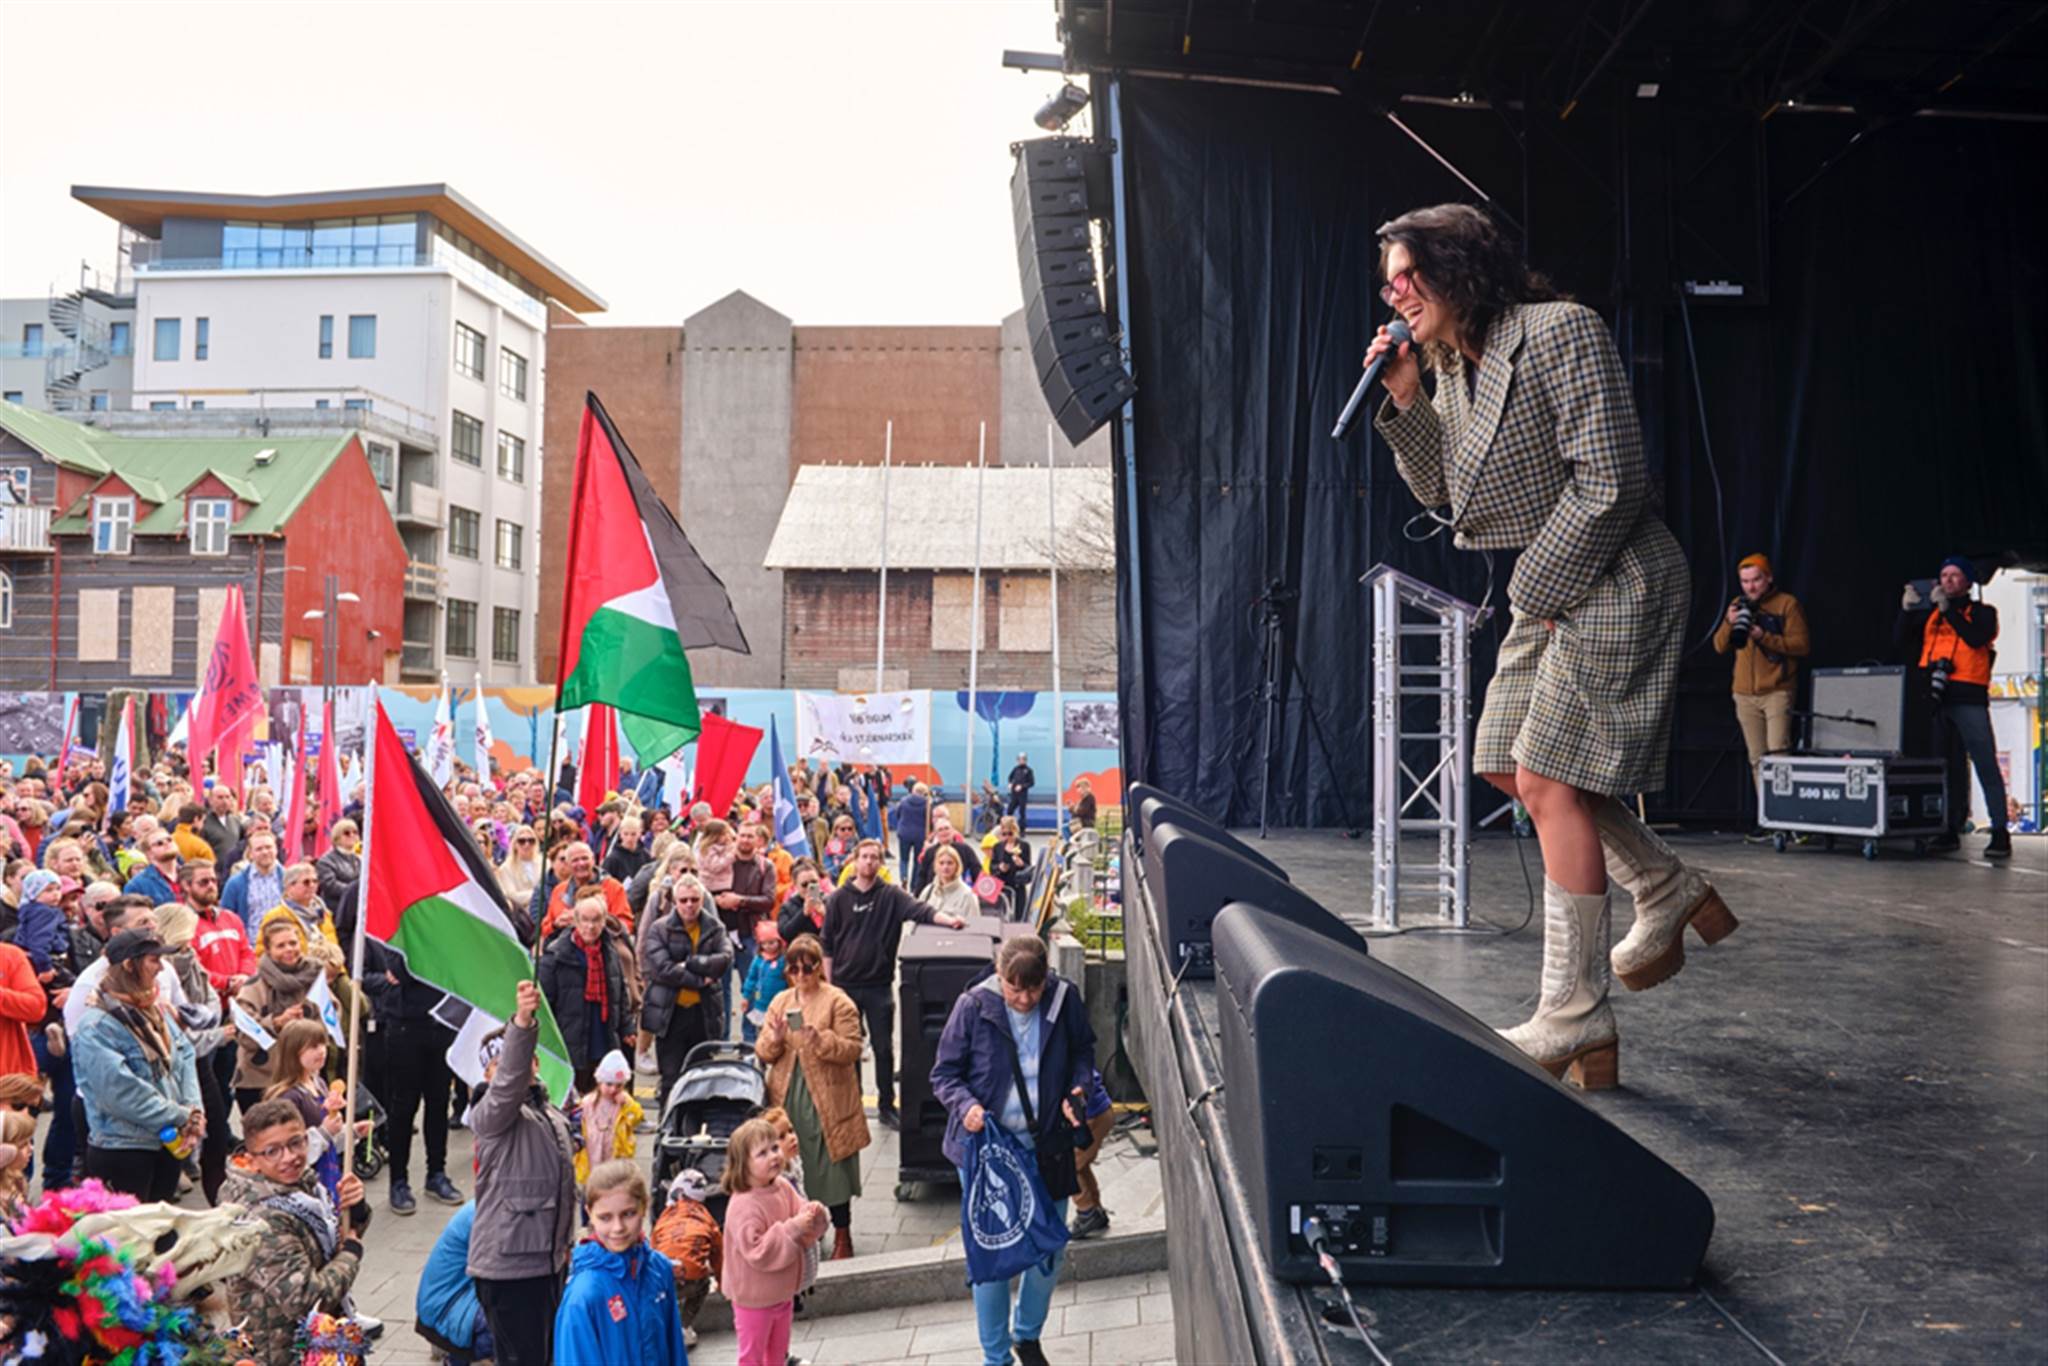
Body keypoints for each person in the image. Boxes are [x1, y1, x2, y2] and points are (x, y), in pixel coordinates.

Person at [1364, 203, 1734, 1087]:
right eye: (1389, 283)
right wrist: (1407, 399)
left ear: (1459, 267)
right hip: (1553, 585)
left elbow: (1611, 482)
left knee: (1549, 780)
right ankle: (1664, 886)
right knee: (1503, 764)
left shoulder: (1560, 330)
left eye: (1410, 275)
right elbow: (1448, 495)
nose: (1396, 294)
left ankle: (1576, 1014)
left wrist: (1535, 590)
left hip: (1616, 572)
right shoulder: (1450, 367)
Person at [930, 934, 1096, 1366]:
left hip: (1048, 1145)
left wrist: (1077, 1089)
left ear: (1046, 979)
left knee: (1050, 1249)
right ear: (999, 974)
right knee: (994, 1257)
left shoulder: (1063, 999)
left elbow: (1083, 1051)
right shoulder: (973, 1005)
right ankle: (996, 1356)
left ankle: (1028, 1335)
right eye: (1014, 988)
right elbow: (944, 1074)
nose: (1024, 999)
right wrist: (966, 1106)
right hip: (988, 1152)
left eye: (1033, 989)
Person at [470, 979, 579, 1366]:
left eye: (527, 1058)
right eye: (498, 1064)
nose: (515, 1067)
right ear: (489, 1075)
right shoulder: (491, 1113)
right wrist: (522, 1023)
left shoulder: (549, 1112)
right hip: (510, 1270)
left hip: (547, 1262)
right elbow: (508, 1085)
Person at [822, 839, 968, 1130]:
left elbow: (922, 911)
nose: (869, 862)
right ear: (855, 860)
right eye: (864, 857)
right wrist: (830, 987)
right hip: (845, 986)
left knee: (884, 1049)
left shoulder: (891, 895)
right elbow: (827, 945)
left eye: (875, 857)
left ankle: (886, 1104)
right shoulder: (838, 899)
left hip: (878, 985)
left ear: (880, 862)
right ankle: (853, 1103)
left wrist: (949, 921)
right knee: (849, 1050)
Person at [218, 1096, 370, 1365]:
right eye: (272, 1151)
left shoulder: (300, 1185)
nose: (289, 1157)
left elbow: (331, 1239)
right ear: (252, 1159)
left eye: (295, 1143)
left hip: (318, 1344)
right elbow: (306, 1298)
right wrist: (351, 1254)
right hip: (281, 1353)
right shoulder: (260, 1219)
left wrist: (356, 1210)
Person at [756, 933, 869, 1260]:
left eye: (808, 967)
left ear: (819, 967)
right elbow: (763, 1051)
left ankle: (843, 1235)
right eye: (794, 968)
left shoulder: (838, 1001)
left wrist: (820, 1039)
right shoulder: (780, 1001)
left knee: (832, 1167)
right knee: (788, 1162)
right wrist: (776, 1038)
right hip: (787, 1094)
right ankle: (801, 1229)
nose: (801, 975)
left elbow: (853, 1048)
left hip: (828, 1096)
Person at [69, 928, 202, 1200]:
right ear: (129, 965)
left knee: (162, 1222)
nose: (161, 968)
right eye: (154, 960)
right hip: (123, 1149)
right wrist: (182, 1115)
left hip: (167, 1140)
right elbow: (121, 1093)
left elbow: (185, 1055)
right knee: (132, 1226)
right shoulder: (96, 1026)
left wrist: (193, 1110)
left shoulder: (154, 1010)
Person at [361, 925, 465, 1216]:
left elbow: (453, 967)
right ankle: (399, 1181)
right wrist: (418, 964)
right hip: (404, 1025)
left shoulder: (444, 926)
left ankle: (436, 1173)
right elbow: (399, 970)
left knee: (438, 1103)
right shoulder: (398, 930)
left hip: (441, 1023)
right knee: (403, 1107)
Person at [554, 1159, 689, 1365]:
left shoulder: (659, 1269)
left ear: (644, 1206)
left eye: (628, 1214)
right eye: (605, 1218)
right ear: (590, 1214)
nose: (618, 1228)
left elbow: (675, 1348)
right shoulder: (584, 1294)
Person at [721, 1116, 830, 1366]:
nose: (773, 1156)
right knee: (752, 1356)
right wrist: (793, 1228)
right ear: (743, 1165)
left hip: (781, 1293)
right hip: (753, 1300)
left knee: (778, 1353)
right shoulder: (744, 1205)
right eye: (762, 1153)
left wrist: (813, 1213)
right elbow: (757, 1251)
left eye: (774, 1148)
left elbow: (799, 1211)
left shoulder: (781, 1186)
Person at [1713, 554, 1811, 811]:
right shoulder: (1738, 605)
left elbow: (1802, 646)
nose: (1751, 587)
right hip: (1744, 693)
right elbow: (1719, 646)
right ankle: (1769, 814)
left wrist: (1763, 636)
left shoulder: (1787, 604)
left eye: (1756, 580)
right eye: (1745, 581)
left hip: (1777, 690)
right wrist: (1729, 621)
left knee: (1778, 753)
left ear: (1768, 578)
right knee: (1757, 758)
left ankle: (1786, 815)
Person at [640, 872, 732, 1114]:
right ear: (675, 901)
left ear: (702, 900)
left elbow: (724, 960)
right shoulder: (659, 929)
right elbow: (664, 969)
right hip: (671, 1015)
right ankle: (668, 1125)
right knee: (671, 1078)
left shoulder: (715, 927)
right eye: (683, 900)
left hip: (703, 1014)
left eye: (694, 899)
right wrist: (701, 979)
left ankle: (697, 1127)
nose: (689, 905)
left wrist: (689, 963)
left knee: (701, 1077)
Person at [234, 916, 328, 1112]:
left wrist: (308, 1027)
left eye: (293, 943)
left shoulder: (314, 978)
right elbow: (245, 1035)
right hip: (261, 1080)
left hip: (305, 1078)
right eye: (281, 946)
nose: (289, 949)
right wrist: (277, 1022)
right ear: (268, 951)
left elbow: (331, 1019)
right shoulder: (253, 987)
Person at [541, 894, 631, 1093]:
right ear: (575, 921)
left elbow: (620, 993)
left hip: (603, 1037)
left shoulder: (610, 951)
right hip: (571, 1041)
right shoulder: (556, 956)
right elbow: (544, 1005)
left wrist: (627, 1028)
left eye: (596, 920)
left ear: (604, 921)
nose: (590, 926)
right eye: (585, 920)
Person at [650, 1166, 722, 1349]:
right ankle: (684, 1326)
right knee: (703, 1284)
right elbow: (718, 1253)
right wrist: (722, 1281)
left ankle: (661, 1328)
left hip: (662, 1277)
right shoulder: (705, 1216)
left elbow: (653, 1248)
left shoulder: (665, 1217)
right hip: (691, 1276)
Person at [416, 1201, 496, 1365]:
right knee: (516, 1317)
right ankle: (456, 1358)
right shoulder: (490, 1214)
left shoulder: (492, 1204)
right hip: (446, 1308)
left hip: (452, 1300)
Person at [572, 1049, 643, 1184]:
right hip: (592, 1151)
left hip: (615, 1152)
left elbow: (637, 1117)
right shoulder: (587, 1103)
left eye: (619, 1085)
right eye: (609, 1084)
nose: (613, 1089)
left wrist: (628, 1104)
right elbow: (576, 1122)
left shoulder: (625, 1102)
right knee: (592, 1184)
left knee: (613, 1182)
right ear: (600, 1082)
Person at [219, 827, 286, 928]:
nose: (265, 852)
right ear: (250, 854)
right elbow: (225, 919)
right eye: (259, 849)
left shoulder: (289, 879)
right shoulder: (235, 884)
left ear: (276, 849)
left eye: (268, 847)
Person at [911, 809, 984, 894]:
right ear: (936, 834)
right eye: (940, 830)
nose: (944, 832)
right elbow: (922, 876)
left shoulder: (965, 850)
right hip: (935, 893)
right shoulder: (930, 852)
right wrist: (917, 895)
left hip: (959, 893)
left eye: (946, 828)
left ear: (953, 831)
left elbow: (977, 871)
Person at [740, 922, 788, 1046]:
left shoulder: (783, 960)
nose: (768, 947)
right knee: (763, 1033)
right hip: (761, 1003)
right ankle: (761, 1050)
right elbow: (751, 978)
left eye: (771, 943)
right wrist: (746, 996)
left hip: (780, 1005)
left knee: (782, 1031)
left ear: (779, 942)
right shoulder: (758, 960)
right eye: (764, 943)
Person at [121, 828, 182, 908]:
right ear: (149, 853)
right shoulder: (136, 885)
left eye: (169, 839)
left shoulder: (191, 873)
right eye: (159, 843)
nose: (166, 843)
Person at [919, 845, 981, 923]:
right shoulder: (928, 891)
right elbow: (915, 920)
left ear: (957, 866)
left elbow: (975, 925)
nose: (945, 867)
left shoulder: (968, 895)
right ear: (935, 866)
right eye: (941, 863)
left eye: (950, 863)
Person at [988, 818, 1034, 920]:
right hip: (1002, 887)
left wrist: (1022, 864)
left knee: (1018, 917)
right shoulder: (998, 847)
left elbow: (1029, 869)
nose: (1007, 837)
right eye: (1004, 834)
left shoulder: (1024, 846)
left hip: (1017, 886)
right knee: (1001, 916)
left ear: (1015, 831)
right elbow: (992, 867)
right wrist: (999, 868)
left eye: (1010, 833)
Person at [315, 819, 362, 911]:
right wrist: (354, 891)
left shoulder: (359, 859)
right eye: (347, 833)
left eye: (355, 832)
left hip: (355, 907)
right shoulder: (326, 861)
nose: (352, 835)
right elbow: (330, 885)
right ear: (337, 837)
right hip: (336, 909)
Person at [892, 782, 931, 883]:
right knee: (917, 860)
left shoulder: (903, 801)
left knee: (904, 859)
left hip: (904, 833)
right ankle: (914, 883)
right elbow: (929, 820)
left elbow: (897, 813)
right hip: (920, 835)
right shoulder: (927, 804)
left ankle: (904, 877)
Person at [498, 824, 543, 908]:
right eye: (522, 841)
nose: (527, 844)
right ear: (515, 844)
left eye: (531, 841)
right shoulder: (506, 868)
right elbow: (511, 895)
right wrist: (538, 894)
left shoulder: (545, 863)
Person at [1006, 753, 1035, 821]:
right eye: (1019, 759)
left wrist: (1022, 786)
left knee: (1022, 812)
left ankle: (1022, 826)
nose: (1021, 761)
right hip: (1014, 794)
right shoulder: (1015, 769)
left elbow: (1031, 783)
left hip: (1022, 795)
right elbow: (1010, 777)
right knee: (1010, 810)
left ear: (1025, 760)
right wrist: (1010, 783)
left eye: (1022, 759)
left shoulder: (1029, 770)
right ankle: (1009, 825)